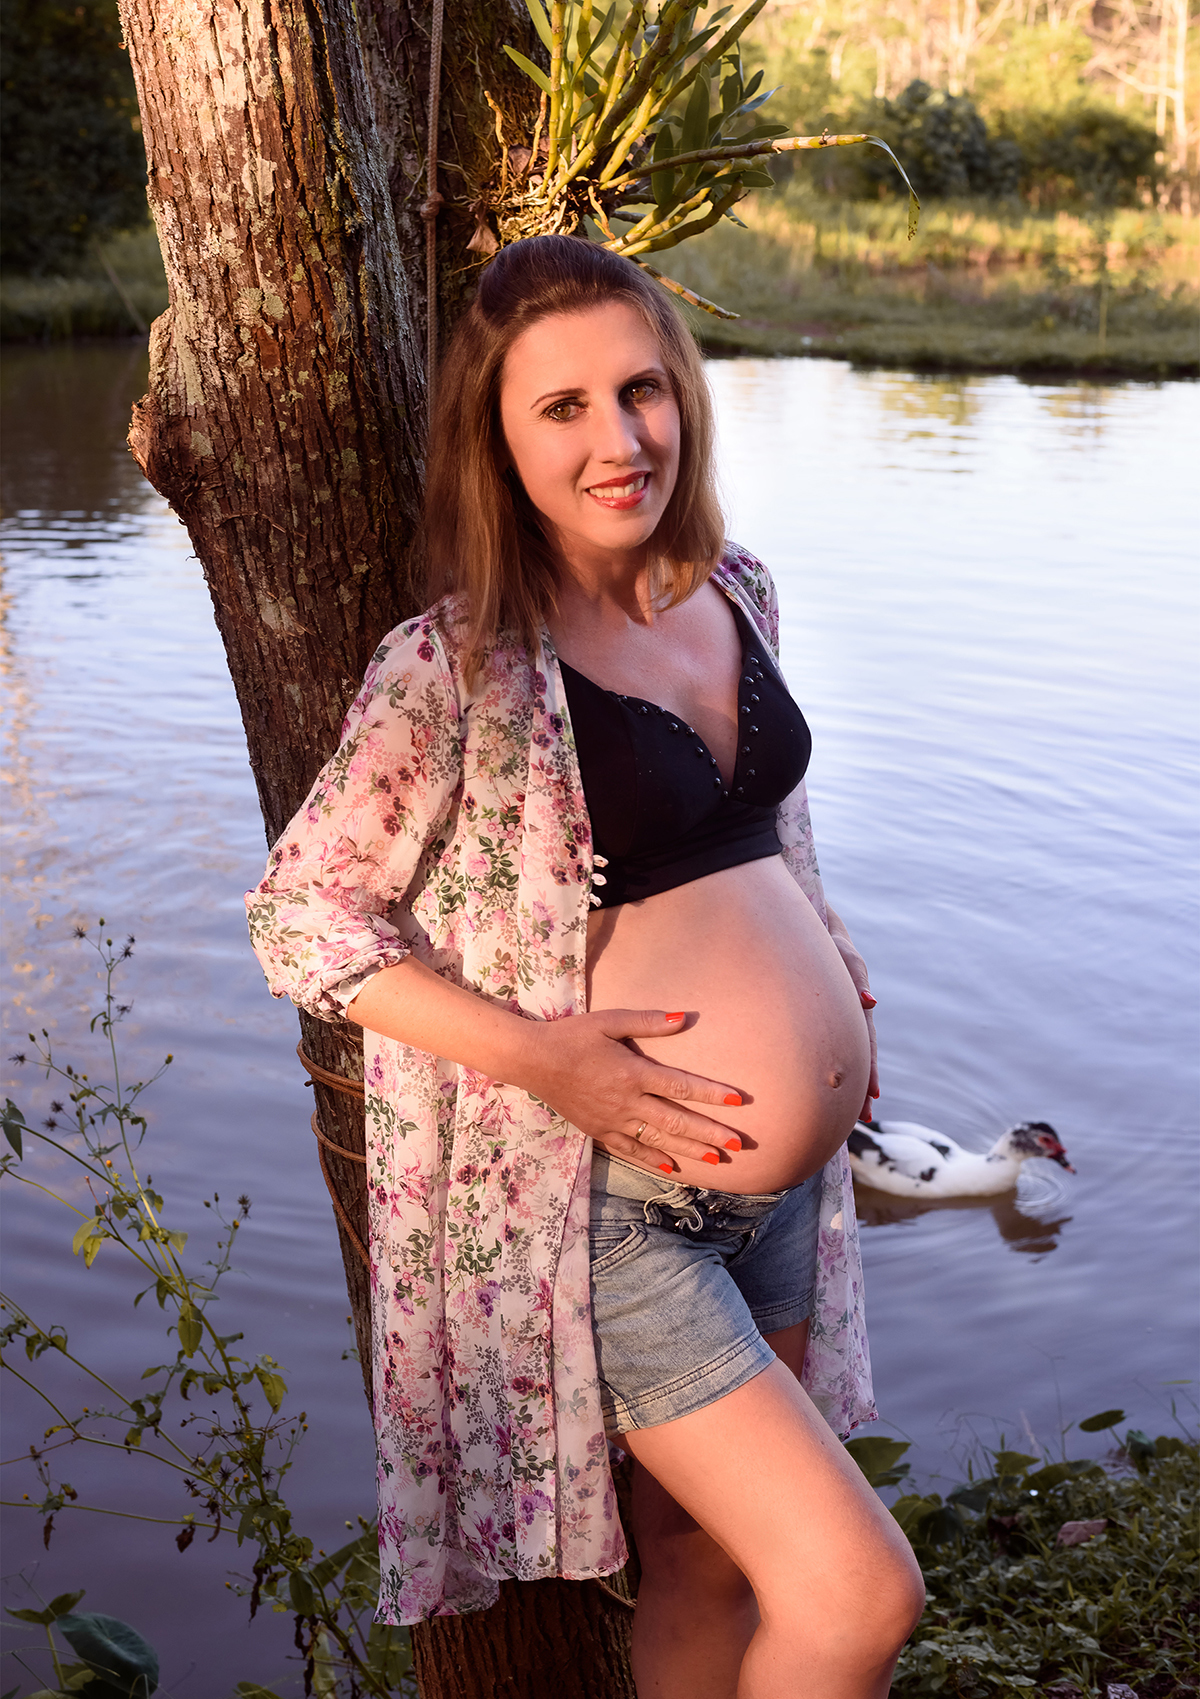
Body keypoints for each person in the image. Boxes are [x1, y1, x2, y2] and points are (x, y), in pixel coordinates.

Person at [247, 233, 924, 1697]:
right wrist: (544, 1056)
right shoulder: (462, 667)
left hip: (784, 1195)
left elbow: (769, 835)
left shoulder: (735, 587)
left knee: (710, 1565)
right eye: (563, 408)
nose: (620, 440)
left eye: (642, 390)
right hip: (622, 1216)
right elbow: (301, 919)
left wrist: (838, 980)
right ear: (496, 439)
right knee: (858, 1597)